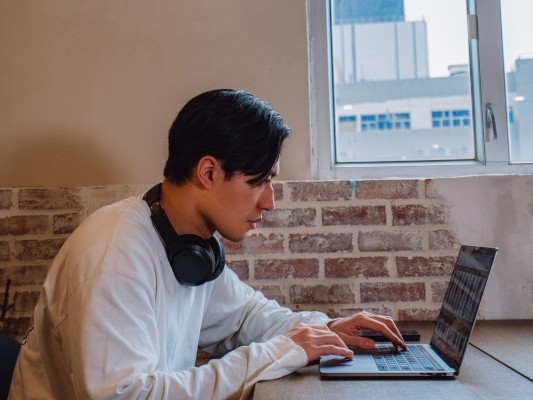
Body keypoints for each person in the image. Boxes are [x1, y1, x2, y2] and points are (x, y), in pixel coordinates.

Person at [10, 89, 405, 400]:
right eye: (258, 182)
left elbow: (245, 318)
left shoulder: (186, 247)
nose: (269, 201)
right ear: (209, 172)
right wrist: (280, 352)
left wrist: (326, 328)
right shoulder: (114, 257)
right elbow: (125, 396)